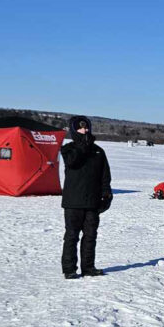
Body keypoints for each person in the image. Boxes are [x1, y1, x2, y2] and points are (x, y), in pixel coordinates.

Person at [60, 115, 112, 279]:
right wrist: (83, 145)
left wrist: (106, 194)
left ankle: (88, 267)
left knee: (90, 236)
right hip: (73, 201)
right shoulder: (68, 149)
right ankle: (69, 269)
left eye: (87, 127)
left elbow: (105, 175)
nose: (85, 130)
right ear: (74, 130)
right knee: (72, 236)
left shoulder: (98, 151)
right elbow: (72, 162)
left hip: (92, 201)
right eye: (81, 128)